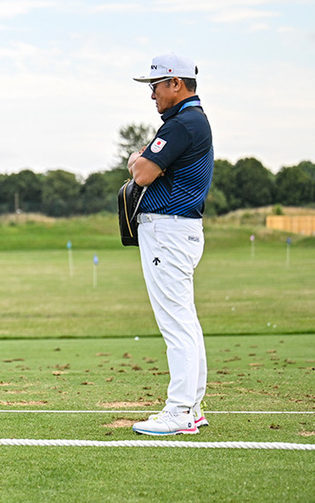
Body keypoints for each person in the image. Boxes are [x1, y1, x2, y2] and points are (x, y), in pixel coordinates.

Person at [127, 53, 214, 436]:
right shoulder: (190, 120)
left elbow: (143, 172)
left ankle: (179, 411)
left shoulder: (183, 123)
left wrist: (135, 158)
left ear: (176, 83)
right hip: (179, 230)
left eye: (155, 85)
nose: (152, 94)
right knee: (185, 322)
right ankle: (191, 407)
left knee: (176, 323)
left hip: (169, 230)